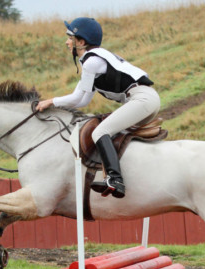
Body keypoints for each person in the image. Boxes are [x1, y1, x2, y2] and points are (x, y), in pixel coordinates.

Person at [36, 17, 160, 198]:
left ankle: (115, 179)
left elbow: (78, 98)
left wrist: (50, 102)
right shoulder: (94, 61)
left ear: (82, 42)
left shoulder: (91, 62)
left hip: (142, 100)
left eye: (70, 38)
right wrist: (54, 103)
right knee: (104, 128)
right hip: (143, 100)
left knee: (100, 132)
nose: (67, 42)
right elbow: (82, 100)